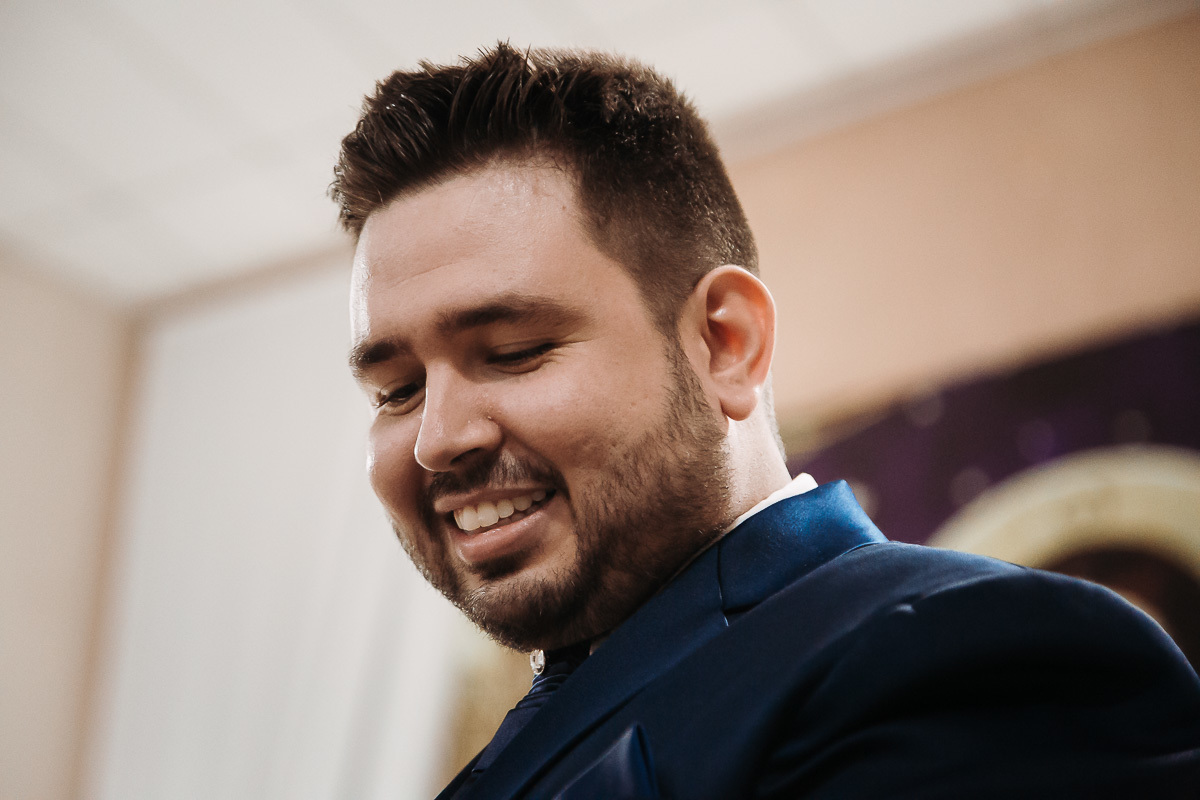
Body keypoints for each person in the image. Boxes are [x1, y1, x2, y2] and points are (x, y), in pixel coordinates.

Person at [332, 44, 1200, 799]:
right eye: (396, 391)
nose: (436, 438)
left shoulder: (966, 661)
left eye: (514, 351)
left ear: (725, 344)